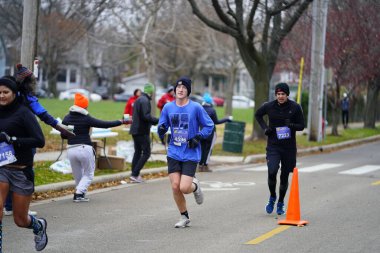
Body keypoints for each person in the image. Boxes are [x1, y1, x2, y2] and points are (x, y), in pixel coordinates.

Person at [3, 64, 75, 217]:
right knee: (20, 171)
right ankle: (18, 206)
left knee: (8, 170)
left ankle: (11, 206)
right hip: (24, 139)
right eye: (33, 81)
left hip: (11, 141)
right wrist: (61, 128)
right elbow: (43, 114)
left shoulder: (16, 97)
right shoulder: (26, 98)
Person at [157, 77, 214, 228]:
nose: (180, 90)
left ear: (188, 90)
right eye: (178, 87)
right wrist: (161, 130)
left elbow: (209, 126)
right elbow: (161, 126)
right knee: (175, 186)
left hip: (190, 152)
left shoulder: (195, 107)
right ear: (174, 90)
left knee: (184, 188)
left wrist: (198, 137)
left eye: (184, 87)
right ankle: (184, 217)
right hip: (174, 151)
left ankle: (195, 186)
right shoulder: (168, 107)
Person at [0, 76, 48, 251]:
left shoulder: (23, 113)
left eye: (5, 92)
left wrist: (13, 139)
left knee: (20, 220)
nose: (2, 96)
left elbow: (39, 141)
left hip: (21, 170)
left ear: (14, 93)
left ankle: (38, 226)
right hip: (1, 168)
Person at [62, 93, 130, 202]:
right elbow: (104, 124)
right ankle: (79, 194)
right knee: (88, 173)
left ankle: (80, 193)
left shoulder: (67, 118)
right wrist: (121, 121)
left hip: (71, 149)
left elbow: (63, 135)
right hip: (84, 148)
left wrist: (71, 131)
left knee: (78, 174)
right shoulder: (86, 118)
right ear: (84, 106)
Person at [255, 82, 305, 216]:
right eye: (278, 94)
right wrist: (265, 128)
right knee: (272, 171)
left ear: (287, 94)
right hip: (273, 146)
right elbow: (258, 115)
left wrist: (292, 125)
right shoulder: (269, 106)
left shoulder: (295, 107)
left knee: (284, 177)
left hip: (288, 148)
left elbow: (302, 126)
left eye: (283, 94)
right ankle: (272, 197)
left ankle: (281, 202)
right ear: (275, 95)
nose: (280, 96)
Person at [129, 83, 159, 183]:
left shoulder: (139, 99)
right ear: (151, 92)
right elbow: (146, 116)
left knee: (137, 152)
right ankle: (135, 174)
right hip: (142, 130)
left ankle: (134, 175)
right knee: (146, 153)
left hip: (135, 129)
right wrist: (156, 120)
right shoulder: (145, 101)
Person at [198, 93, 232, 172]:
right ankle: (205, 166)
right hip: (210, 132)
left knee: (201, 148)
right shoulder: (212, 110)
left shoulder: (199, 109)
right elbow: (216, 122)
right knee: (208, 149)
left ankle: (200, 166)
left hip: (200, 132)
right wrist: (226, 119)